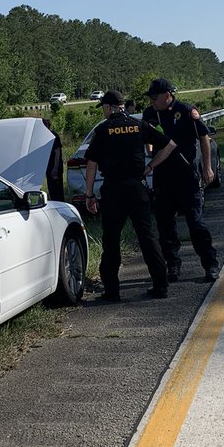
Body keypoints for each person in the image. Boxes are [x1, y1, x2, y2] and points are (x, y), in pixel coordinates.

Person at [84, 90, 177, 303]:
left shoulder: (103, 130)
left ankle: (112, 291)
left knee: (111, 240)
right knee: (147, 237)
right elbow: (170, 145)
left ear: (108, 107)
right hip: (137, 188)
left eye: (104, 108)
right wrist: (150, 167)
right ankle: (161, 285)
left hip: (113, 190)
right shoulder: (138, 125)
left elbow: (91, 165)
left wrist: (89, 195)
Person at [142, 78, 219, 284]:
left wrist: (207, 167)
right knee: (165, 225)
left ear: (168, 95)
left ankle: (210, 264)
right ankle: (173, 265)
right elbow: (148, 139)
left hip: (187, 176)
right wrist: (149, 149)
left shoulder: (186, 111)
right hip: (163, 178)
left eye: (155, 97)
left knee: (196, 223)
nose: (152, 101)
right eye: (150, 98)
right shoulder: (150, 114)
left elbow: (204, 137)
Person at [41, 117, 65, 202]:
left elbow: (57, 153)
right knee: (51, 190)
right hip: (49, 167)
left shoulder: (54, 136)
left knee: (58, 191)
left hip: (55, 167)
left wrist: (55, 169)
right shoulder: (44, 137)